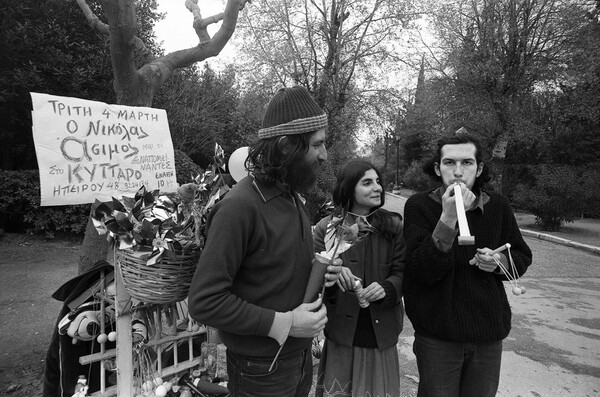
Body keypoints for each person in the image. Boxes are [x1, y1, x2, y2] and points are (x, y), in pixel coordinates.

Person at [187, 85, 341, 397]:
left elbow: (275, 269)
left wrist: (320, 270)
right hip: (260, 370)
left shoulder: (292, 197)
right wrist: (284, 323)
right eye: (318, 145)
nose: (324, 155)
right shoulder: (239, 207)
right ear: (286, 146)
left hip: (297, 360)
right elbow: (204, 302)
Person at [402, 131, 533, 397]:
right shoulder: (419, 206)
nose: (458, 172)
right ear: (438, 168)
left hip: (487, 333)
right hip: (438, 334)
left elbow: (521, 255)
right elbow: (422, 271)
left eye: (467, 163)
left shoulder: (498, 206)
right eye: (449, 163)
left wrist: (499, 262)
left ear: (479, 167)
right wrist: (447, 219)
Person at [314, 160, 406, 397]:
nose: (377, 187)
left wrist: (387, 288)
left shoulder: (393, 226)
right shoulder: (327, 228)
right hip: (342, 333)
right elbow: (313, 283)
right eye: (367, 182)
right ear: (348, 188)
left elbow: (403, 272)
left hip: (381, 331)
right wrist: (332, 274)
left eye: (378, 182)